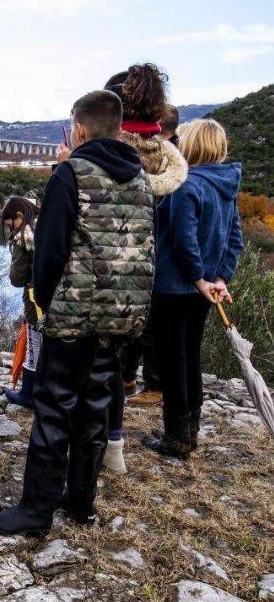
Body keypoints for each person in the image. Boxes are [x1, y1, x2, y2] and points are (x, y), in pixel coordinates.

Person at [0, 90, 154, 536]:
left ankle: (35, 511)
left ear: (78, 128)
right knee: (95, 409)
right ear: (118, 128)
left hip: (73, 316)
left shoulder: (69, 175)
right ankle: (81, 503)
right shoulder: (141, 179)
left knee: (54, 408)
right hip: (122, 315)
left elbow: (50, 253)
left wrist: (46, 301)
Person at [101, 66, 186, 472]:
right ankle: (115, 445)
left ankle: (95, 450)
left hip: (103, 281)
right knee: (120, 368)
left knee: (100, 369)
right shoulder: (163, 164)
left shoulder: (108, 161)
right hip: (147, 279)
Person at [143, 119, 243, 460]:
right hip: (203, 291)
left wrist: (199, 279)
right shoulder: (226, 186)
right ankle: (189, 431)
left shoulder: (186, 186)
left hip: (174, 288)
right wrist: (219, 279)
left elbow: (184, 240)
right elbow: (234, 239)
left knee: (173, 362)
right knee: (190, 358)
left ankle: (176, 438)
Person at [127, 107, 181, 409]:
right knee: (142, 326)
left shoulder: (167, 163)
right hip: (152, 257)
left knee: (152, 328)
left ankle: (155, 384)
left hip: (160, 261)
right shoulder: (165, 159)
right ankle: (131, 377)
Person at [1, 196, 41, 407]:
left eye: (10, 225)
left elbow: (17, 279)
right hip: (60, 300)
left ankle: (28, 394)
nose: (11, 231)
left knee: (34, 345)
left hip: (37, 301)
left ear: (19, 216)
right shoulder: (48, 224)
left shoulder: (25, 236)